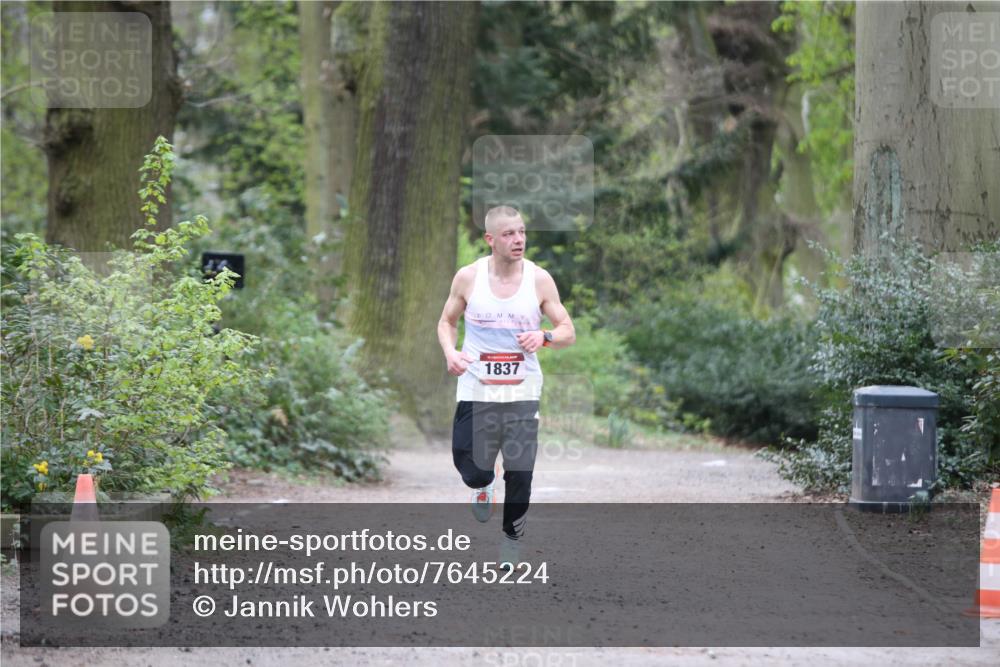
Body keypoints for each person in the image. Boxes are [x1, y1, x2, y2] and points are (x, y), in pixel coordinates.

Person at [437, 205, 575, 566]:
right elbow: (447, 322)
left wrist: (544, 337)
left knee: (520, 469)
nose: (519, 240)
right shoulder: (468, 278)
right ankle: (483, 485)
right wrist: (451, 352)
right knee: (471, 466)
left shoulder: (539, 279)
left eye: (522, 232)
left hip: (522, 388)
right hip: (475, 385)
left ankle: (511, 543)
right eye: (510, 234)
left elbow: (567, 331)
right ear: (490, 240)